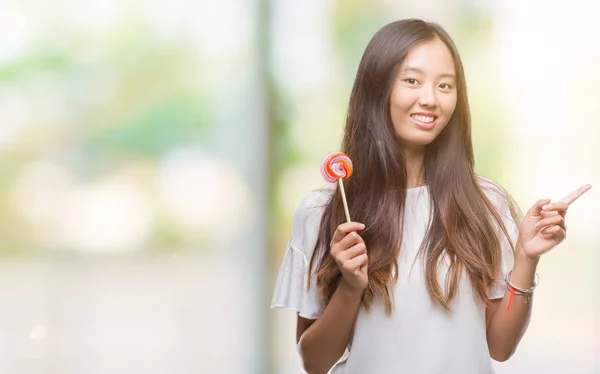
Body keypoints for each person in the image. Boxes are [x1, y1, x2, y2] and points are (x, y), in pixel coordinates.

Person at [270, 19, 591, 374]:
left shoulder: (486, 203)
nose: (430, 99)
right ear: (378, 87)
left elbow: (500, 347)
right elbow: (315, 362)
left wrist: (526, 258)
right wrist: (350, 286)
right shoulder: (324, 212)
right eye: (412, 80)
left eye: (445, 85)